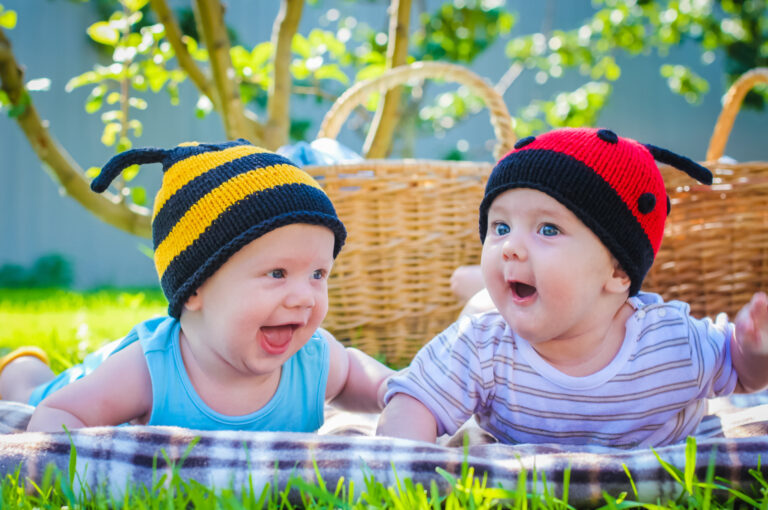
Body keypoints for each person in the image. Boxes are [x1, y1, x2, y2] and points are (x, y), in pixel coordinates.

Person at [377, 127, 768, 448]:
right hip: (497, 317)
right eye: (500, 228)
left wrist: (753, 350)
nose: (510, 246)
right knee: (483, 306)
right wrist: (401, 469)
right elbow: (415, 400)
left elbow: (742, 373)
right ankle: (475, 286)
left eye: (548, 229)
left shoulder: (670, 343)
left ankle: (473, 284)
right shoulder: (482, 346)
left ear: (617, 271)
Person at [0, 139, 393, 433]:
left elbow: (375, 382)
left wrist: (398, 392)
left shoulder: (313, 360)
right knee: (30, 390)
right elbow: (60, 414)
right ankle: (20, 366)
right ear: (194, 289)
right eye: (277, 274)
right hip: (80, 382)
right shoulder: (148, 369)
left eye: (318, 275)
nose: (304, 297)